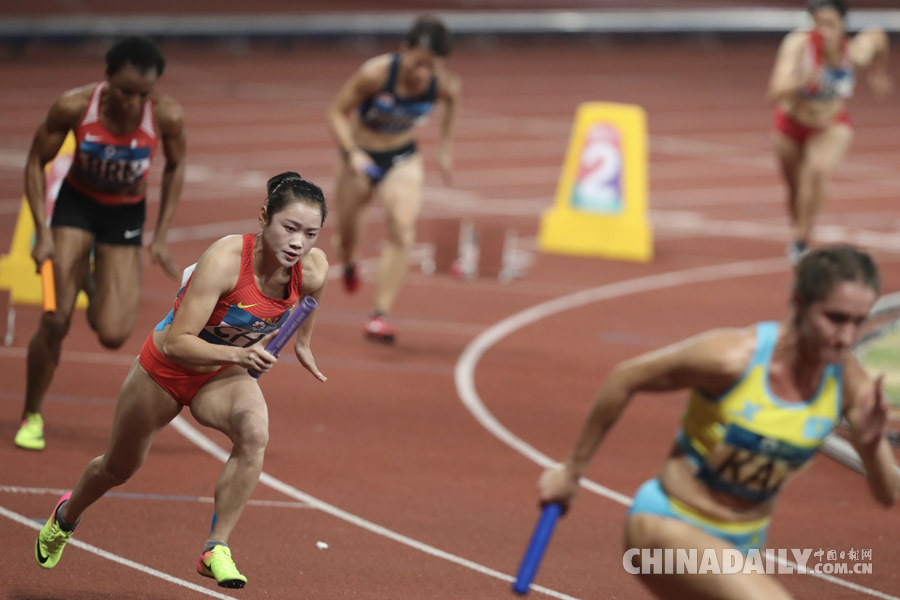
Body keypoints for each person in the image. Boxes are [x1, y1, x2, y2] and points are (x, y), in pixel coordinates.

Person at [538, 245, 899, 599]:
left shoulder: (848, 382)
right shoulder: (731, 358)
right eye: (835, 319)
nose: (847, 337)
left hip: (743, 544)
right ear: (799, 305)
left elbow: (888, 494)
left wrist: (869, 446)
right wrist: (572, 471)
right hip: (666, 527)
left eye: (858, 322)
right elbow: (625, 377)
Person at [33, 172, 329, 589]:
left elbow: (311, 296)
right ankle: (66, 516)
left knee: (254, 432)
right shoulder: (226, 259)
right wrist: (241, 353)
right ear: (264, 217)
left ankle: (216, 548)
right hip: (166, 369)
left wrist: (303, 343)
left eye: (311, 234)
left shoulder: (311, 268)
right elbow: (178, 343)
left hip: (221, 374)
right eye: (290, 228)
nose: (300, 242)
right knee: (117, 468)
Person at [16, 35, 187, 451]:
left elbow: (177, 166)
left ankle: (88, 280)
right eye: (126, 91)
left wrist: (161, 235)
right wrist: (41, 233)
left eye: (143, 94)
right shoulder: (74, 106)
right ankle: (32, 414)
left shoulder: (165, 115)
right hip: (76, 207)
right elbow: (36, 163)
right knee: (55, 320)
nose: (133, 103)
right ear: (107, 79)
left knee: (112, 332)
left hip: (124, 216)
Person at [326, 14, 461, 343]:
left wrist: (444, 148)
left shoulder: (442, 84)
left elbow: (453, 102)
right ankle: (349, 258)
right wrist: (352, 152)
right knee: (345, 235)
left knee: (402, 227)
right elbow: (335, 113)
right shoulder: (376, 74)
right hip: (359, 154)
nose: (421, 72)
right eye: (417, 62)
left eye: (430, 65)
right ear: (404, 50)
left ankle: (379, 314)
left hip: (402, 156)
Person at [767, 0, 891, 263]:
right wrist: (798, 80)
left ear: (843, 26)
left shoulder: (854, 52)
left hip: (830, 124)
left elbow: (878, 36)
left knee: (818, 170)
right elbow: (773, 93)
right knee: (796, 189)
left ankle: (801, 240)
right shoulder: (797, 46)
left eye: (831, 24)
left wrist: (877, 72)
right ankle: (800, 233)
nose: (823, 31)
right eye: (818, 24)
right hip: (790, 125)